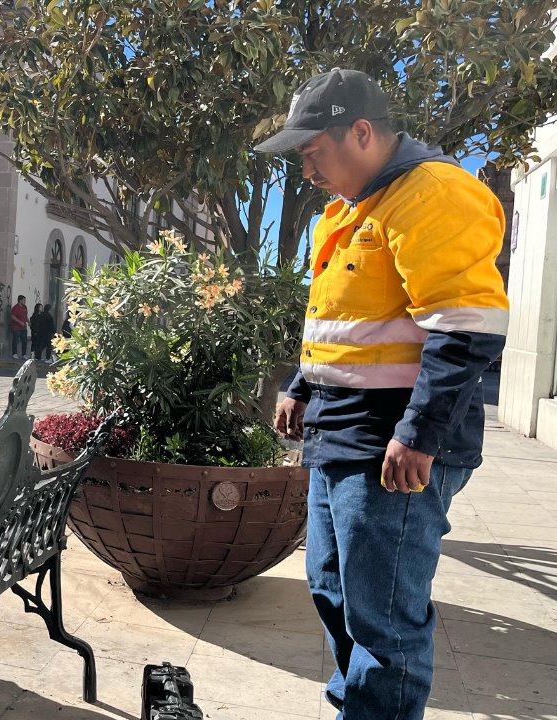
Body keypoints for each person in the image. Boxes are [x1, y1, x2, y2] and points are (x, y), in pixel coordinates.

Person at [259, 68, 508, 720]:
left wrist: (419, 433)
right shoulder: (346, 214)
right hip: (341, 433)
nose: (307, 172)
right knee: (331, 589)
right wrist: (302, 384)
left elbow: (467, 324)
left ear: (361, 132)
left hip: (391, 442)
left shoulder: (432, 195)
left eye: (314, 154)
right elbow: (342, 320)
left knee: (384, 624)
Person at [10, 295, 29, 359]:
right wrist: (19, 322)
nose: (25, 301)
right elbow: (12, 316)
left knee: (24, 341)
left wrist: (28, 322)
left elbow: (26, 316)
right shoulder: (15, 308)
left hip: (24, 328)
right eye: (24, 300)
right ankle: (14, 353)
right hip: (16, 328)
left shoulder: (25, 307)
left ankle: (24, 354)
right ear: (20, 300)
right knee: (15, 341)